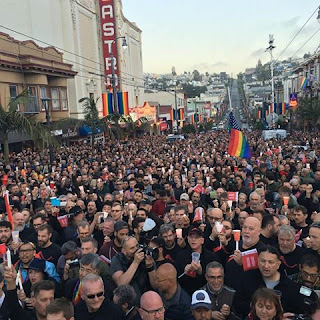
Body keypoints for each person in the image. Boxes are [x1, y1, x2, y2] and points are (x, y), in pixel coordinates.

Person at [234, 246, 305, 317]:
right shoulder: (247, 279)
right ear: (257, 261)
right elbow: (237, 303)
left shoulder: (291, 287)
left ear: (278, 264)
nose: (266, 266)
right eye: (263, 261)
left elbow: (298, 310)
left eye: (271, 262)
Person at [176, 227, 221, 295]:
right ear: (187, 239)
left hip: (206, 293)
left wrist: (200, 272)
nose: (193, 239)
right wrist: (185, 271)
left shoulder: (212, 257)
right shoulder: (181, 256)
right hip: (186, 292)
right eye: (191, 237)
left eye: (196, 237)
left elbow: (214, 280)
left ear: (202, 240)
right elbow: (177, 279)